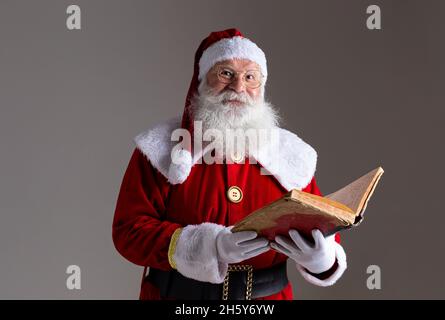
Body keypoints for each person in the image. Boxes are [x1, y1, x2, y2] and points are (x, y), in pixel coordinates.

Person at [112, 28, 347, 300]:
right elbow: (128, 231)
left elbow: (322, 227)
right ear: (201, 80)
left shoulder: (291, 154)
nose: (238, 87)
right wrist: (210, 246)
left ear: (262, 86)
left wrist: (322, 259)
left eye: (250, 77)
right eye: (226, 73)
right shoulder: (158, 147)